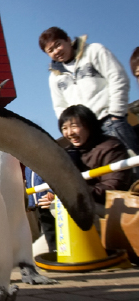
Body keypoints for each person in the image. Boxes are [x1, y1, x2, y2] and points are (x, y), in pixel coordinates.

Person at [39, 27, 139, 157]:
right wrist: (72, 129)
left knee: (132, 164)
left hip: (110, 121)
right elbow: (60, 108)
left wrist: (116, 114)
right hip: (85, 133)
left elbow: (118, 77)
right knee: (108, 173)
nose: (56, 51)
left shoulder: (94, 51)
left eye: (58, 45)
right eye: (50, 50)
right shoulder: (54, 78)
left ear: (68, 40)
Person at [38, 105, 133, 231]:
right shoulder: (69, 153)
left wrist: (69, 194)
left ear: (89, 125)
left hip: (117, 210)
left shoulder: (111, 147)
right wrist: (54, 194)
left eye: (74, 126)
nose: (69, 133)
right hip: (84, 208)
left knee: (59, 207)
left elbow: (112, 188)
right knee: (38, 250)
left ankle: (106, 249)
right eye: (64, 128)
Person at [25, 168, 56, 252]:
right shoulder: (28, 167)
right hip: (39, 204)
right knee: (48, 230)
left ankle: (56, 250)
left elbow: (55, 175)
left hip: (49, 201)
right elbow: (30, 184)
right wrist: (31, 203)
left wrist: (52, 191)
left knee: (54, 229)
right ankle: (53, 251)